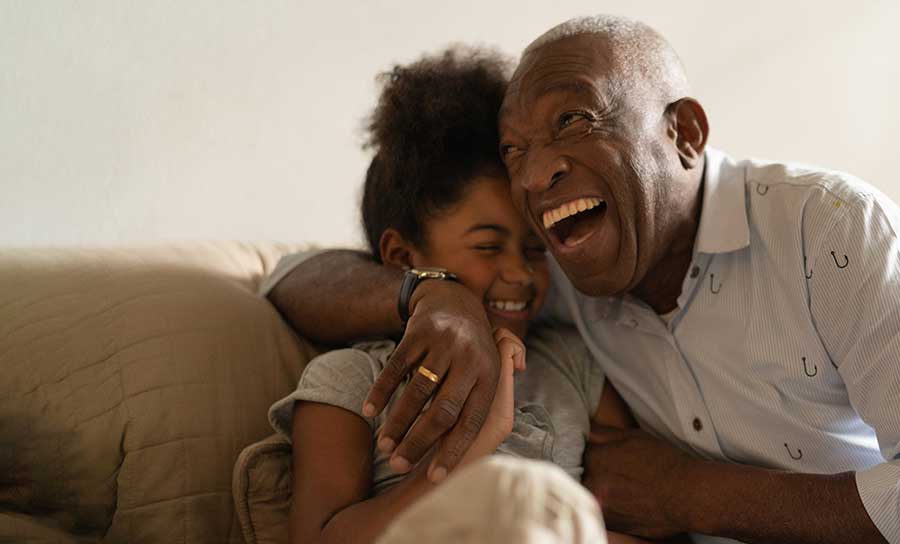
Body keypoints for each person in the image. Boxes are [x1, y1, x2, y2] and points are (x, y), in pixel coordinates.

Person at [266, 15, 899, 544]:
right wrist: (435, 294)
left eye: (573, 120)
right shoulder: (557, 267)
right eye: (515, 151)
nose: (535, 175)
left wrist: (689, 495)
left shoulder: (833, 229)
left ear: (684, 133)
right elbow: (288, 278)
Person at [264, 47, 643, 544]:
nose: (519, 273)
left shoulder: (572, 367)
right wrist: (461, 454)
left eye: (535, 248)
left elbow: (645, 518)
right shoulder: (355, 381)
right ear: (402, 256)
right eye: (487, 246)